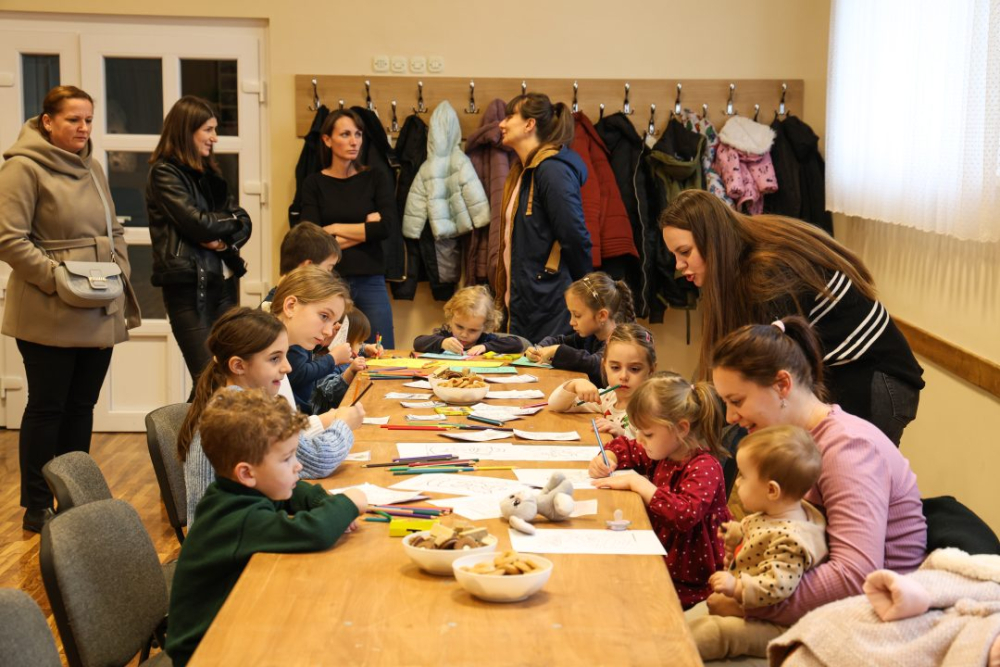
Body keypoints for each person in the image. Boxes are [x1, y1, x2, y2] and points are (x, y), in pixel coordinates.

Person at [706, 315, 926, 626]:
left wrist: (749, 605)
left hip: (874, 619)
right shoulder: (794, 443)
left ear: (782, 384)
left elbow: (855, 576)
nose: (730, 416)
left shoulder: (848, 449)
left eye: (736, 400)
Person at [660, 189, 924, 446]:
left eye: (685, 252)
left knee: (849, 474)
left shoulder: (766, 274)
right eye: (674, 255)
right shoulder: (744, 256)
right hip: (849, 373)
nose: (679, 266)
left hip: (876, 379)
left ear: (713, 241)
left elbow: (764, 376)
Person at [0, 85, 140, 532]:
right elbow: (9, 239)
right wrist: (57, 278)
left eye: (88, 120)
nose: (83, 128)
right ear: (47, 121)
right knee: (47, 406)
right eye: (73, 120)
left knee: (82, 406)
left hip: (99, 301)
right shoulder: (22, 169)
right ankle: (37, 506)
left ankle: (72, 497)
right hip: (49, 307)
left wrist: (119, 266)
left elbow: (114, 227)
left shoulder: (93, 167)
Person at [165, 388, 367, 666]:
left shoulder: (238, 491)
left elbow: (296, 491)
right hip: (207, 651)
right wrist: (348, 503)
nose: (297, 467)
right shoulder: (239, 518)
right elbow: (313, 532)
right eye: (287, 459)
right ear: (247, 473)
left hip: (235, 627)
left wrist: (322, 499)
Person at [176, 307, 361, 527]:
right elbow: (318, 460)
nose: (288, 367)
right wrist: (343, 425)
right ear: (238, 365)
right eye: (274, 359)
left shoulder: (233, 398)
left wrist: (319, 501)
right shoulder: (242, 411)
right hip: (232, 542)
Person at [589, 372, 731, 608]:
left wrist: (640, 484)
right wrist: (610, 456)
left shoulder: (705, 467)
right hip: (661, 558)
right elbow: (629, 447)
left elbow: (684, 514)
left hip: (692, 581)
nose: (641, 440)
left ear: (681, 428)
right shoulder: (665, 449)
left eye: (648, 434)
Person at [689, 424, 828, 661]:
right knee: (697, 617)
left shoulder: (791, 541)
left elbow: (776, 586)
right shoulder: (772, 513)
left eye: (743, 475)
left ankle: (673, 652)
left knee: (718, 633)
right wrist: (736, 533)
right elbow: (755, 532)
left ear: (772, 490)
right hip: (749, 608)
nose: (739, 482)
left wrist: (736, 587)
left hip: (775, 627)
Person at [147, 95, 252, 391]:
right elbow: (198, 224)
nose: (214, 137)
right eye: (207, 129)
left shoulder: (211, 175)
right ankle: (188, 438)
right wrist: (220, 224)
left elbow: (244, 222)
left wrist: (220, 242)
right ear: (186, 130)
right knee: (209, 379)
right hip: (188, 288)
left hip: (222, 284)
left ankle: (199, 438)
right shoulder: (164, 173)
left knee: (227, 379)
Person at [494, 92, 592, 342]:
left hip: (549, 302)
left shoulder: (552, 170)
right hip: (527, 301)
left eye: (510, 116)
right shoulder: (522, 172)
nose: (501, 124)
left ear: (529, 124)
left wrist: (585, 292)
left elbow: (574, 236)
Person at [299, 108, 398, 348]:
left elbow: (386, 228)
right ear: (327, 140)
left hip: (371, 279)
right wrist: (365, 230)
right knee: (329, 351)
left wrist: (333, 229)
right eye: (345, 134)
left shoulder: (375, 177)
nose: (354, 141)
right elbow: (314, 244)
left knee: (381, 350)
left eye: (358, 134)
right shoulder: (314, 183)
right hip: (329, 280)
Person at [272, 265, 361, 412]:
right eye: (324, 316)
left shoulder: (284, 349)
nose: (328, 331)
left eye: (332, 323)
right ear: (291, 306)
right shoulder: (260, 360)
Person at [525, 271, 635, 386]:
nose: (571, 322)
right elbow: (559, 340)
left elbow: (595, 364)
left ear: (601, 315)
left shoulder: (619, 343)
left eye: (577, 316)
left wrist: (557, 350)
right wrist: (539, 349)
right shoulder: (591, 336)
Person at [547, 323, 656, 439]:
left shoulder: (651, 408)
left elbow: (652, 449)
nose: (623, 376)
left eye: (634, 369)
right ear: (604, 365)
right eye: (615, 367)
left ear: (651, 370)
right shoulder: (609, 396)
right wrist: (574, 385)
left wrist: (623, 434)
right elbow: (555, 405)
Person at [413, 285, 524, 356]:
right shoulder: (445, 336)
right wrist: (442, 343)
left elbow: (517, 344)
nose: (464, 335)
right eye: (459, 327)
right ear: (451, 318)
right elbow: (418, 342)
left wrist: (486, 347)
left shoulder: (486, 340)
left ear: (484, 327)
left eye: (473, 330)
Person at [311, 309, 379, 414]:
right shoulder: (321, 362)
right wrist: (350, 372)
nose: (361, 346)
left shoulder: (348, 351)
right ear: (344, 340)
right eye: (360, 342)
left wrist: (367, 348)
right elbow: (332, 394)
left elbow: (355, 349)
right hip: (330, 417)